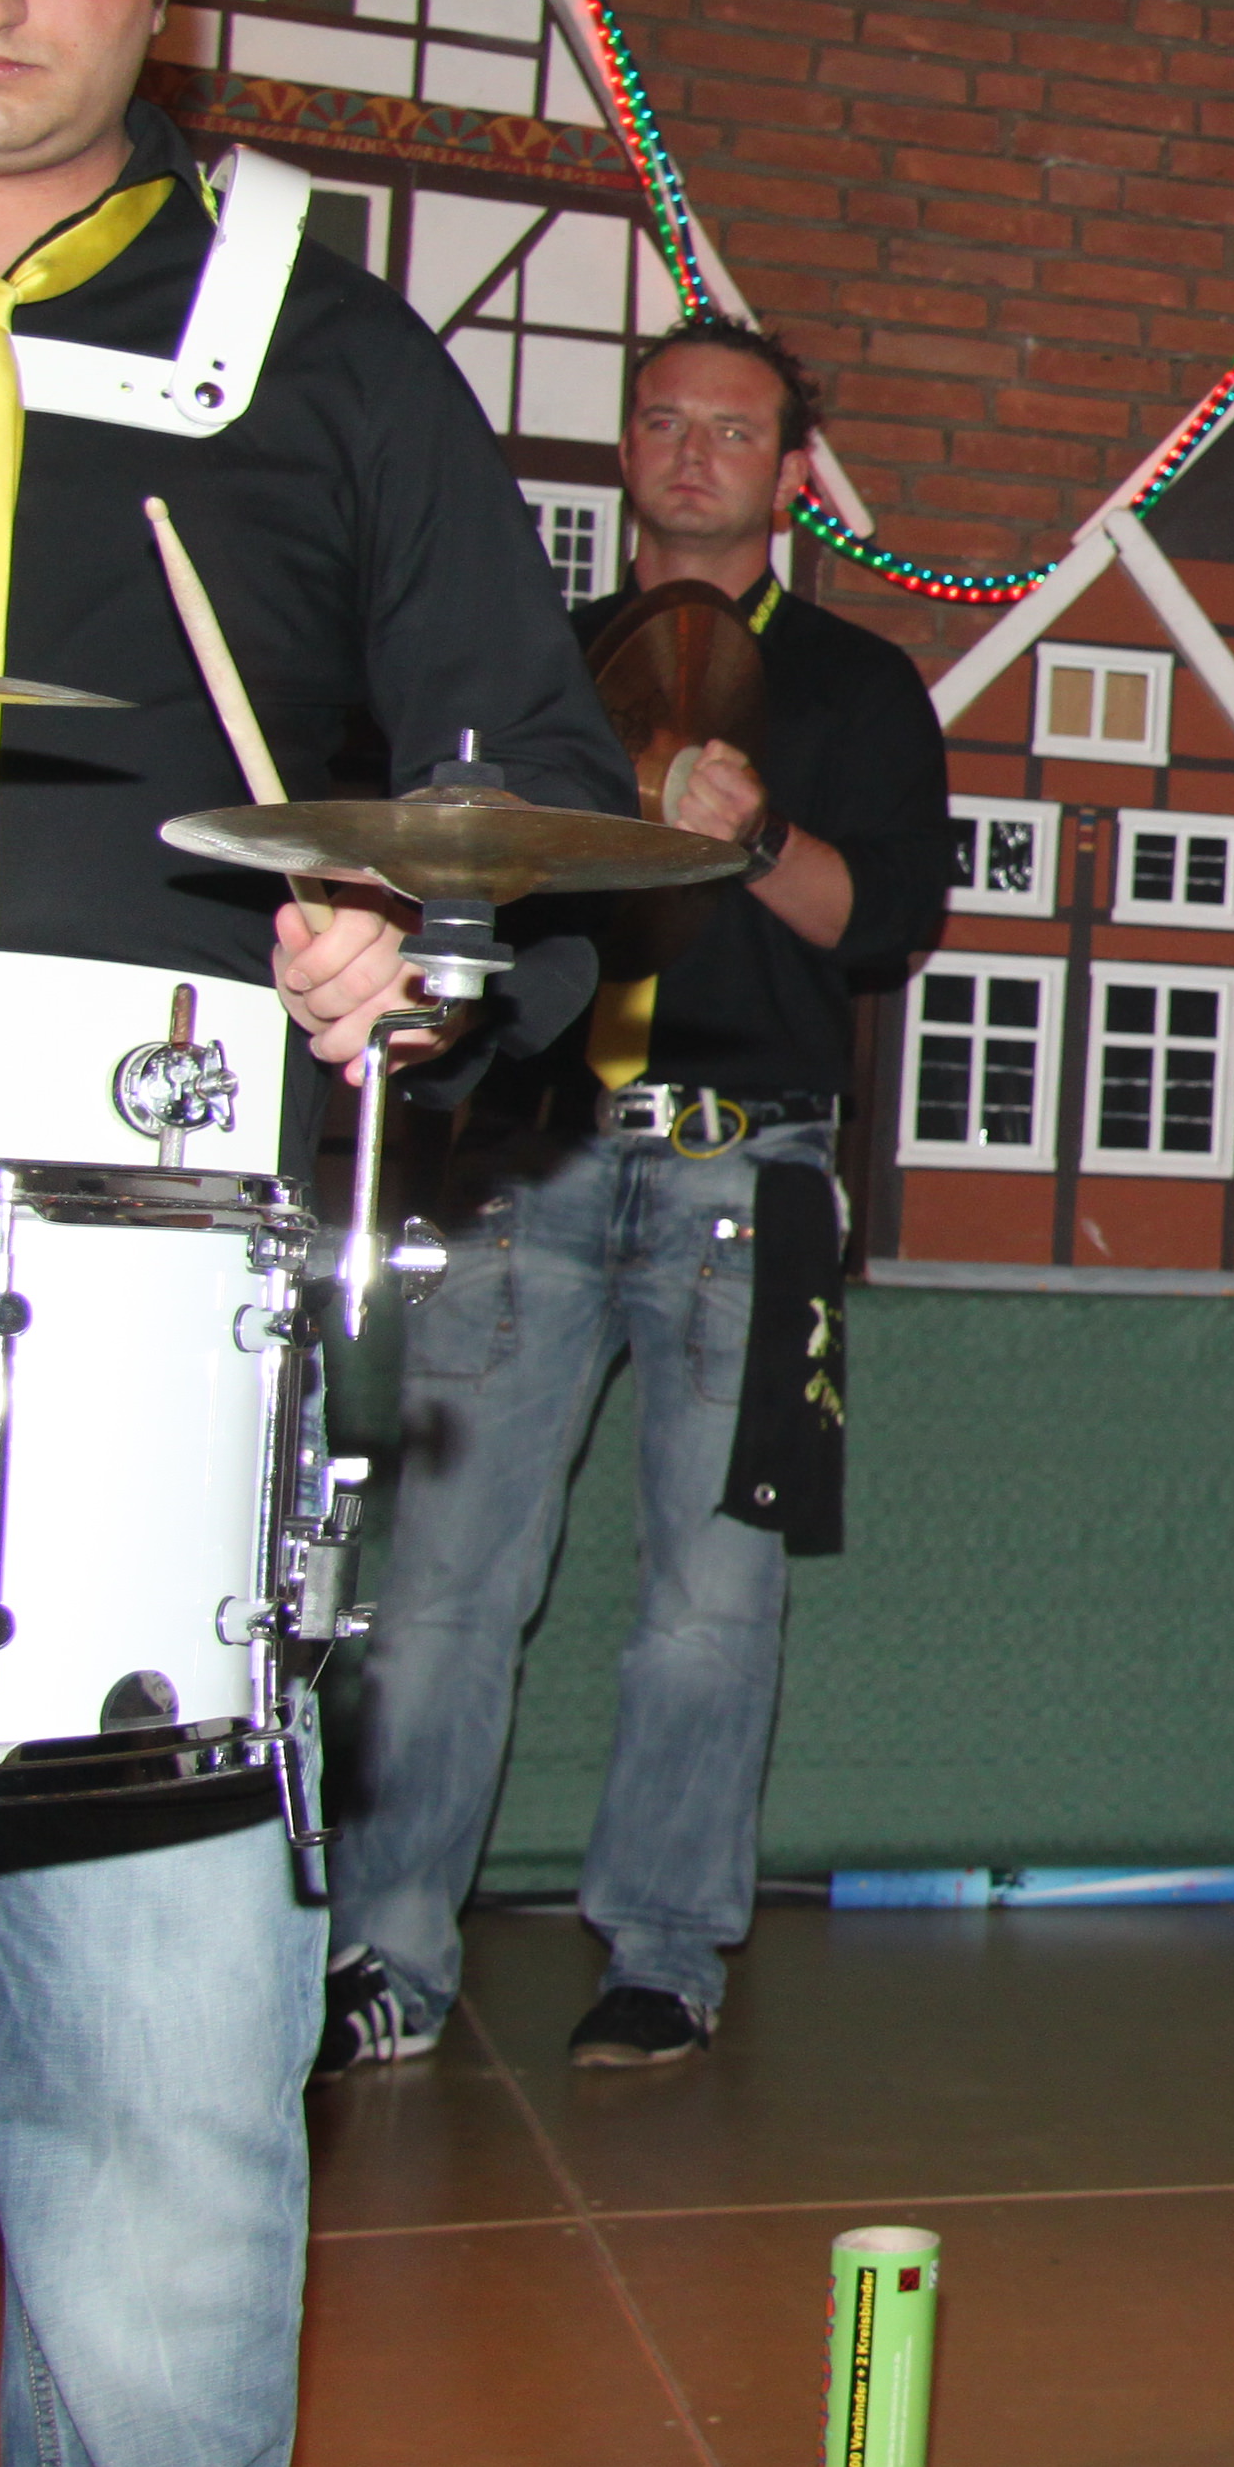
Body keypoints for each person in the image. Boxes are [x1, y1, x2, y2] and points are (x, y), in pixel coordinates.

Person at [0, 0, 630, 2467]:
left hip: (124, 1404)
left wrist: (418, 955)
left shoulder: (325, 358)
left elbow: (539, 839)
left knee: (159, 2178)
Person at [319, 317, 948, 2077]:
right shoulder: (537, 664)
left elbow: (886, 926)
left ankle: (663, 1953)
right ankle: (382, 1954)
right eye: (663, 420)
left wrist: (750, 834)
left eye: (733, 429)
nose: (692, 451)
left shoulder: (854, 683)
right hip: (529, 1153)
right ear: (624, 449)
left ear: (792, 472)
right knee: (441, 1587)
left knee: (710, 1598)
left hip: (749, 1161)